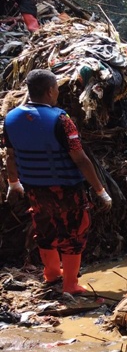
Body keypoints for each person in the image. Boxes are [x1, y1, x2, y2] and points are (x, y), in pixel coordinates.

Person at [2, 69, 112, 294]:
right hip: (66, 189)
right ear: (51, 90)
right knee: (75, 232)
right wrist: (100, 190)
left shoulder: (10, 118)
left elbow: (10, 156)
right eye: (56, 89)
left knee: (45, 230)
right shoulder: (62, 120)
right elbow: (80, 159)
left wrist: (14, 183)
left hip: (34, 188)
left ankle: (51, 274)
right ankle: (70, 284)